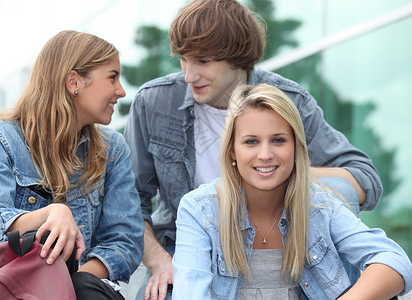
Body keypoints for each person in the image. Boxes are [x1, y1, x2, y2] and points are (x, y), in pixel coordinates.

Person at [124, 0, 382, 299]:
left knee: (340, 186)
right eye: (183, 59)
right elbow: (130, 200)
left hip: (285, 246)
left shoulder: (288, 100)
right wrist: (159, 263)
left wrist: (284, 168)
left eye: (203, 61)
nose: (189, 74)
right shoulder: (154, 102)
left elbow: (365, 181)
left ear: (236, 58)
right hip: (187, 246)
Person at [172, 83, 412, 299]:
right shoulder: (199, 209)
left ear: (296, 147)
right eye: (251, 141)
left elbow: (394, 260)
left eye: (278, 140)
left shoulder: (319, 204)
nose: (265, 155)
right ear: (232, 151)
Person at [0, 30, 144, 299]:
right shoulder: (2, 139)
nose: (120, 91)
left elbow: (125, 241)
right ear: (74, 81)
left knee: (86, 288)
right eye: (112, 77)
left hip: (80, 292)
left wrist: (66, 284)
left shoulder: (113, 149)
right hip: (11, 290)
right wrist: (51, 214)